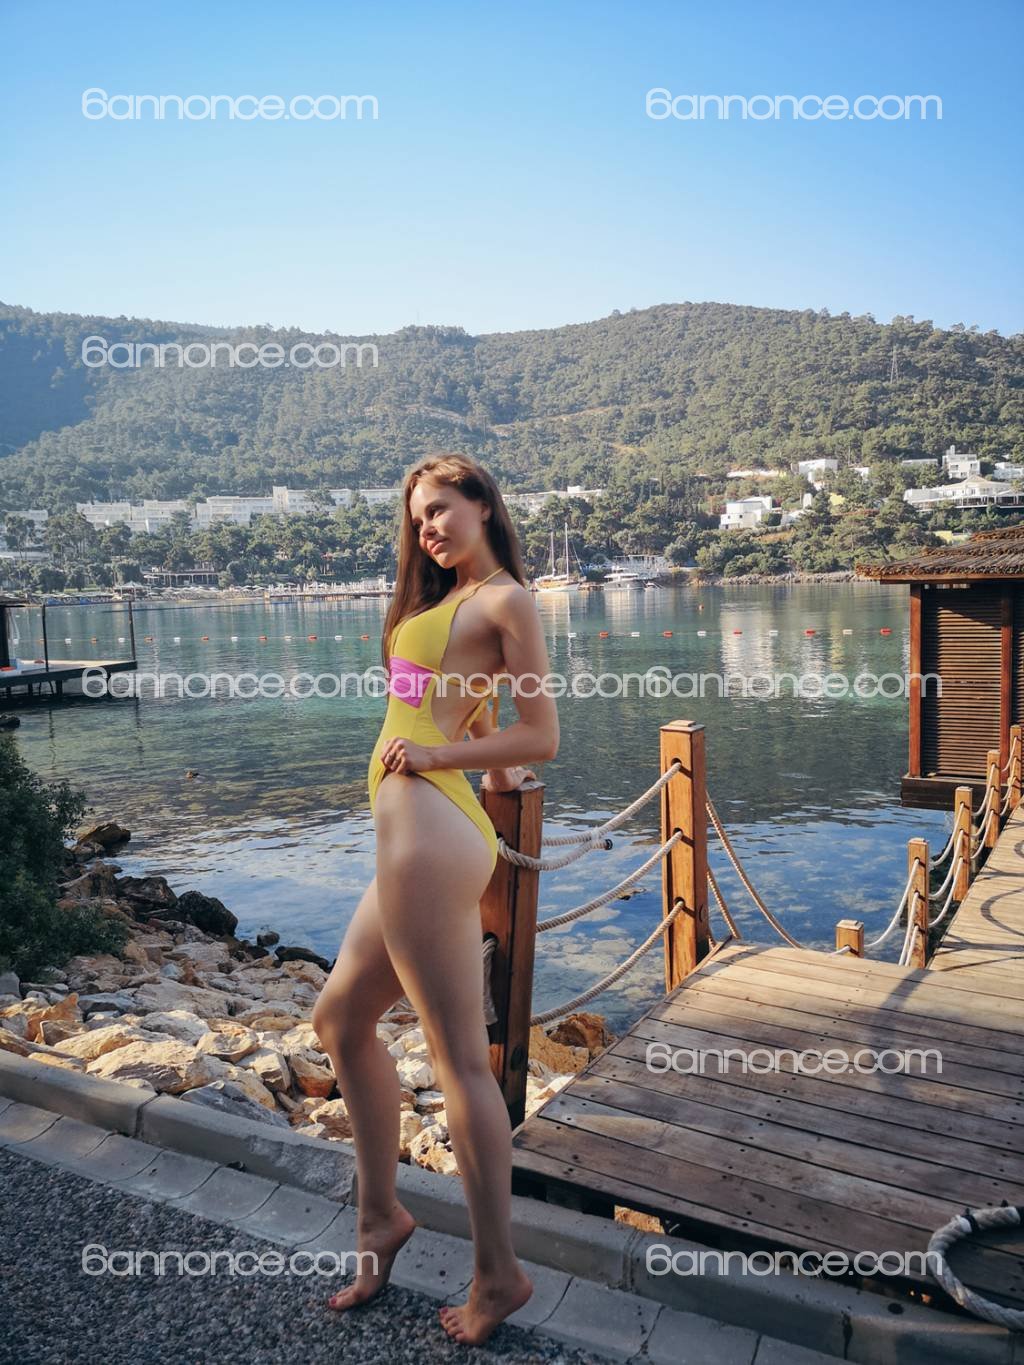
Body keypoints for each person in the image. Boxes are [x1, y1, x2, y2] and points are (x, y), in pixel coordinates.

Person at [312, 452, 560, 1346]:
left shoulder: (508, 600)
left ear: (484, 503)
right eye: (418, 518)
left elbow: (543, 731)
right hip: (414, 835)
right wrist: (479, 752)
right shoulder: (444, 604)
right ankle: (380, 1217)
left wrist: (438, 757)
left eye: (442, 509)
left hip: (429, 837)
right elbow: (462, 706)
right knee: (339, 1019)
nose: (428, 528)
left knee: (460, 1062)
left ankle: (498, 1274)